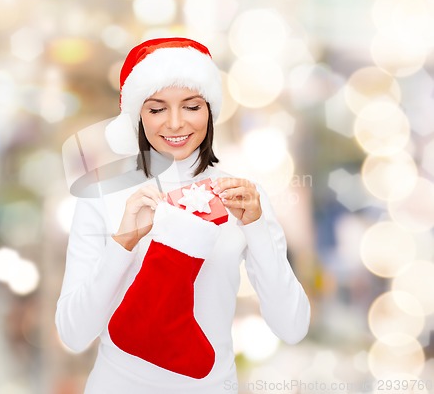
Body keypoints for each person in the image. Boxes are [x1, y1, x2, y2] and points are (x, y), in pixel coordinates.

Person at [55, 38, 310, 394]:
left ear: (210, 109)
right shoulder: (103, 195)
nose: (175, 124)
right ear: (137, 115)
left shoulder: (241, 195)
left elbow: (292, 326)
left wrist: (256, 229)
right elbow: (73, 333)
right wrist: (123, 244)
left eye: (191, 106)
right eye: (157, 109)